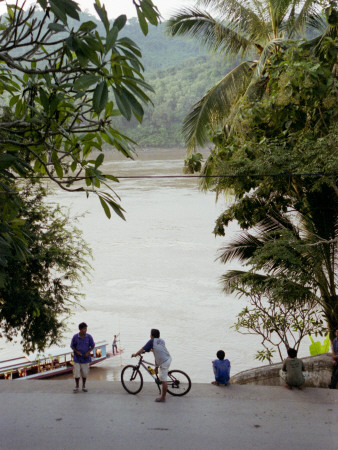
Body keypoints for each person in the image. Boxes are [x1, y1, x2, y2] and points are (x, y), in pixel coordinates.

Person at [132, 328, 171, 402]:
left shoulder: (151, 341)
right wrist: (156, 367)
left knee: (163, 380)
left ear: (152, 335)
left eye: (150, 334)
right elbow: (158, 352)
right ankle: (163, 385)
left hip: (164, 361)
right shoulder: (161, 341)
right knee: (161, 374)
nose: (150, 335)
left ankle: (163, 398)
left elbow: (142, 349)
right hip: (168, 358)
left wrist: (135, 354)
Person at [70, 322, 95, 393]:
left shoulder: (89, 337)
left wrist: (88, 352)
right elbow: (72, 346)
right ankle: (77, 386)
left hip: (85, 358)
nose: (85, 330)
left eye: (86, 329)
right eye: (84, 329)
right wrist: (76, 351)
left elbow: (92, 346)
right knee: (76, 373)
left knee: (85, 373)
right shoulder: (75, 337)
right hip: (77, 359)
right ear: (80, 330)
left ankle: (84, 386)